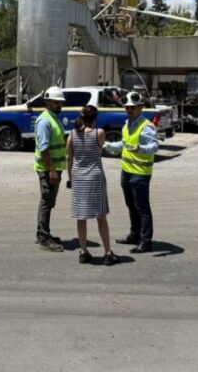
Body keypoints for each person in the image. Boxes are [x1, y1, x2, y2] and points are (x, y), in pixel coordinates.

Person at [104, 91, 159, 253]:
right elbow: (124, 143)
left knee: (142, 208)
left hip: (140, 173)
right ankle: (134, 235)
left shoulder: (146, 126)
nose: (129, 110)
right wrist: (108, 145)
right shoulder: (127, 124)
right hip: (126, 172)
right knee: (131, 205)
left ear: (141, 108)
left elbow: (155, 147)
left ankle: (146, 241)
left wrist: (140, 148)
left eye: (133, 108)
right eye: (127, 108)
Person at [66, 105, 118, 266]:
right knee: (101, 217)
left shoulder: (72, 135)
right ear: (95, 118)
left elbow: (69, 159)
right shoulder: (99, 133)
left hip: (78, 177)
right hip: (95, 177)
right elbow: (101, 147)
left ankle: (83, 251)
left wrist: (70, 178)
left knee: (81, 217)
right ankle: (108, 252)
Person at [34, 86, 68, 252]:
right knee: (47, 201)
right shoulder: (45, 120)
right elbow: (44, 149)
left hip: (55, 168)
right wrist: (53, 170)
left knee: (48, 201)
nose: (59, 105)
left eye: (60, 102)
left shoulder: (54, 118)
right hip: (48, 169)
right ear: (47, 102)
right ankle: (43, 238)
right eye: (56, 102)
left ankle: (42, 232)